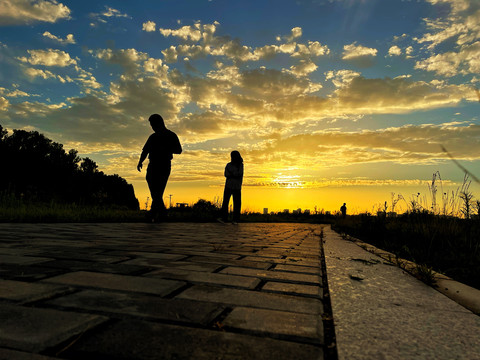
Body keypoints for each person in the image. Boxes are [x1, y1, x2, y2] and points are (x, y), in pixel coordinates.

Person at [137, 114, 182, 221]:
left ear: (159, 123)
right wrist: (140, 161)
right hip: (152, 164)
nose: (152, 127)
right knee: (154, 189)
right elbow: (145, 150)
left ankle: (155, 213)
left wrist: (165, 148)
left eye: (153, 124)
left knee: (159, 190)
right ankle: (161, 213)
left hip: (164, 165)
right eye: (151, 125)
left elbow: (179, 150)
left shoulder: (171, 135)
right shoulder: (152, 137)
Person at [218, 151, 243, 224]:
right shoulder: (228, 165)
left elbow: (239, 174)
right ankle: (224, 218)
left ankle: (236, 219)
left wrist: (232, 174)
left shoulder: (240, 165)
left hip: (237, 187)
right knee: (225, 202)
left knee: (237, 203)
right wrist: (234, 174)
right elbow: (226, 174)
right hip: (228, 186)